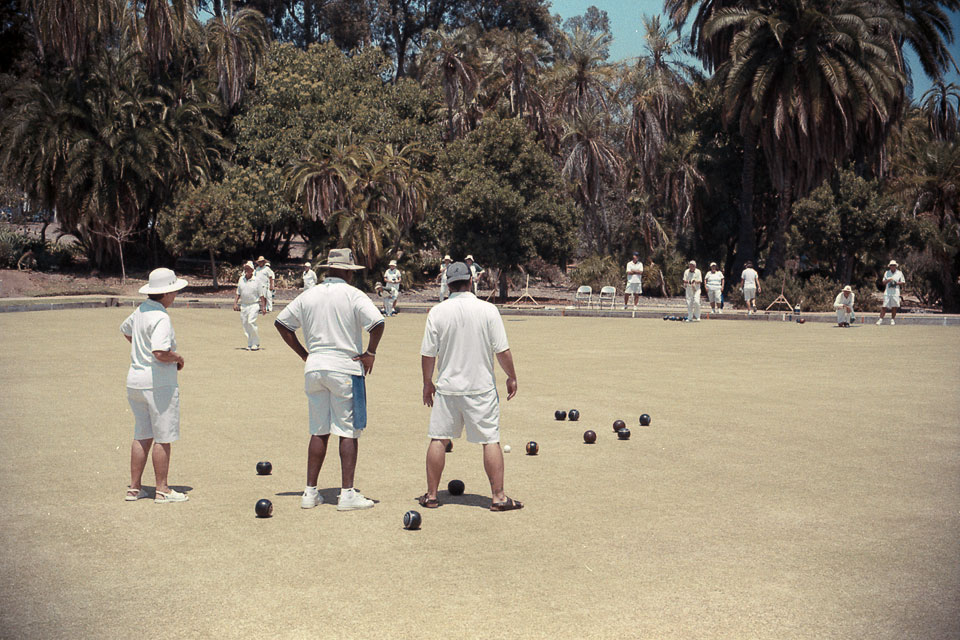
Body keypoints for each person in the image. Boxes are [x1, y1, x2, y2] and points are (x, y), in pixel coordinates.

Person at [274, 248, 385, 512]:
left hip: (315, 368)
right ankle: (347, 494)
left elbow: (282, 324)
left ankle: (310, 492)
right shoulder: (353, 294)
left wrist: (305, 354)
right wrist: (370, 353)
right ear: (348, 271)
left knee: (318, 429)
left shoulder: (308, 295)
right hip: (345, 368)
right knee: (347, 430)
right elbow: (377, 323)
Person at [419, 262, 523, 512]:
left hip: (448, 388)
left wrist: (427, 383)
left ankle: (432, 496)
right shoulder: (488, 310)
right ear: (471, 281)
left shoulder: (437, 312)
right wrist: (511, 376)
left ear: (448, 284)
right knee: (490, 440)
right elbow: (502, 350)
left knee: (438, 438)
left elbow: (427, 354)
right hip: (481, 389)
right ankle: (498, 498)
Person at [120, 268, 189, 504]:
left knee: (142, 434)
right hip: (157, 384)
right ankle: (162, 490)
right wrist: (178, 358)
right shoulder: (161, 317)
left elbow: (126, 330)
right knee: (162, 436)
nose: (176, 295)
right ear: (167, 293)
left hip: (135, 382)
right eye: (175, 291)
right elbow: (160, 352)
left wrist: (139, 348)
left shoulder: (140, 310)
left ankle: (134, 489)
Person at [234, 261, 266, 350]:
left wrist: (263, 307)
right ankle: (250, 343)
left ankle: (256, 343)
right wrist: (235, 303)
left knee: (251, 322)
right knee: (245, 324)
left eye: (248, 268)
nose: (247, 270)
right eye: (245, 268)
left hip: (254, 305)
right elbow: (238, 292)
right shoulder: (241, 279)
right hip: (244, 305)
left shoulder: (257, 280)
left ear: (252, 270)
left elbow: (261, 295)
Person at [877, 260, 905, 325]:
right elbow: (883, 282)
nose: (892, 266)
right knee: (884, 306)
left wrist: (896, 283)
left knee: (894, 306)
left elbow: (903, 282)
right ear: (889, 266)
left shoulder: (899, 273)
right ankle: (880, 319)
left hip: (895, 292)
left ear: (896, 266)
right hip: (887, 291)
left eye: (894, 265)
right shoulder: (887, 273)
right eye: (891, 265)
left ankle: (892, 320)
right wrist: (889, 280)